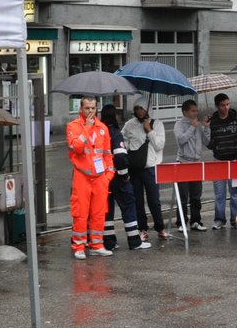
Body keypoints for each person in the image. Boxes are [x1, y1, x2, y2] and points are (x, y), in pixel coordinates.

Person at [65, 97, 114, 260]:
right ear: (81, 109)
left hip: (100, 177)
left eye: (93, 108)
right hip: (82, 176)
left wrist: (108, 175)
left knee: (99, 213)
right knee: (80, 213)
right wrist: (86, 128)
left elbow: (107, 153)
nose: (90, 111)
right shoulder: (73, 126)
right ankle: (79, 246)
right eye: (87, 108)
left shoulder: (103, 128)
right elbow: (77, 148)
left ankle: (97, 245)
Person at [100, 104, 145, 252]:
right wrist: (125, 175)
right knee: (128, 206)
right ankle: (134, 241)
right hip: (118, 178)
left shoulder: (99, 132)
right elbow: (120, 158)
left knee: (107, 210)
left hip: (103, 178)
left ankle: (109, 243)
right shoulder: (115, 133)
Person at [124, 103, 169, 243]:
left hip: (151, 168)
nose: (139, 111)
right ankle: (142, 228)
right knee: (137, 199)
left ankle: (160, 227)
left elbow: (159, 145)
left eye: (142, 108)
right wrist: (129, 148)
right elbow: (123, 139)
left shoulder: (157, 124)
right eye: (136, 108)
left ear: (148, 109)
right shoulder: (129, 124)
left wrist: (149, 130)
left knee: (154, 200)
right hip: (135, 167)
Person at [206, 93, 237, 229]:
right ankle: (219, 219)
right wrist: (214, 144)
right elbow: (208, 142)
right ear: (217, 106)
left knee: (236, 192)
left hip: (235, 160)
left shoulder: (236, 119)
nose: (226, 107)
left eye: (227, 104)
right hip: (218, 160)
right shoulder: (212, 122)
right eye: (223, 105)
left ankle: (236, 220)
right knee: (219, 193)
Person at [174, 99, 210, 231]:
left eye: (196, 110)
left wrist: (206, 127)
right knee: (183, 196)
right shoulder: (179, 124)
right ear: (185, 111)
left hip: (196, 163)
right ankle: (181, 222)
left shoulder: (198, 124)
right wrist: (192, 127)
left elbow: (207, 141)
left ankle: (196, 221)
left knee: (196, 196)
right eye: (193, 111)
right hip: (183, 162)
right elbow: (181, 140)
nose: (196, 113)